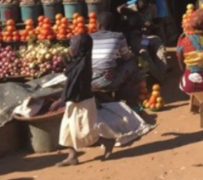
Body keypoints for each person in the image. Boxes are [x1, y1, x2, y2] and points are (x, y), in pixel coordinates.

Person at [50, 34, 116, 167]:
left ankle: (107, 141)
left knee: (83, 132)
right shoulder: (78, 61)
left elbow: (73, 85)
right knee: (67, 130)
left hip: (82, 102)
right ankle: (72, 156)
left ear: (81, 48)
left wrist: (60, 101)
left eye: (73, 46)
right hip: (74, 101)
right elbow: (70, 78)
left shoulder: (82, 66)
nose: (71, 48)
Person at [91, 12, 142, 106]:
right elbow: (126, 57)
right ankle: (131, 98)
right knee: (133, 60)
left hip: (90, 80)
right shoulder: (118, 36)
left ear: (98, 25)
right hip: (108, 81)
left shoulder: (89, 37)